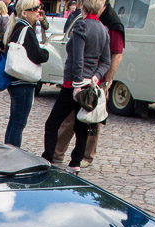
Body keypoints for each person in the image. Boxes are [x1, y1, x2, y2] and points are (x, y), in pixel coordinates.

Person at [52, 0, 124, 167]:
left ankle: (84, 157)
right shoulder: (91, 22)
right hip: (88, 79)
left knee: (90, 120)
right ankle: (60, 153)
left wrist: (104, 80)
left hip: (92, 81)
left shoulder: (111, 23)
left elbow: (116, 55)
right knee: (72, 120)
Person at [42, 0, 109, 173]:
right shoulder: (103, 30)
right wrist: (95, 77)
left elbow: (78, 59)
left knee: (53, 122)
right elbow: (105, 61)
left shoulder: (82, 26)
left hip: (73, 84)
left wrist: (77, 84)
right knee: (82, 125)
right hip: (89, 85)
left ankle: (48, 157)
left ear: (84, 7)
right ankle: (75, 163)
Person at [1, 0, 48, 147]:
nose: (38, 12)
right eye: (35, 9)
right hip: (24, 81)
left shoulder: (17, 27)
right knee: (19, 123)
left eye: (39, 9)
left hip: (15, 81)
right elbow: (38, 55)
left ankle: (8, 151)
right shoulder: (27, 30)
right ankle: (13, 154)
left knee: (14, 120)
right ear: (25, 12)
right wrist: (46, 51)